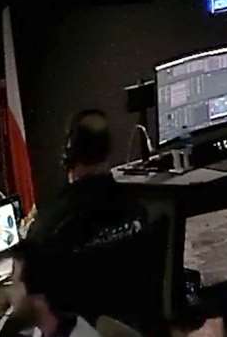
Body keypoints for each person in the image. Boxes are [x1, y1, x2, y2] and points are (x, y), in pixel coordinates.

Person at [27, 109, 145, 255]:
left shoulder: (53, 224)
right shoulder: (136, 207)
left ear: (68, 153)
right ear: (108, 151)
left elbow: (26, 272)